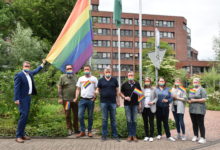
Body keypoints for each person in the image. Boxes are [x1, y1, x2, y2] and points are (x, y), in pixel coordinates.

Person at [14, 60, 46, 143]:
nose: (27, 68)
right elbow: (16, 88)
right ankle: (18, 136)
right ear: (23, 67)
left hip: (28, 97)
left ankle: (22, 135)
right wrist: (16, 99)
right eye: (25, 66)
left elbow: (36, 70)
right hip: (22, 98)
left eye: (28, 66)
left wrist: (42, 64)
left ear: (29, 67)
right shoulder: (19, 75)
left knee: (25, 116)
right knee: (23, 116)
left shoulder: (30, 73)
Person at [96, 67, 120, 142]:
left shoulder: (114, 80)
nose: (108, 73)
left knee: (113, 119)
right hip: (104, 102)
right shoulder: (100, 80)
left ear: (111, 72)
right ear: (104, 72)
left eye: (109, 71)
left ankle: (115, 135)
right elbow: (98, 89)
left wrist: (118, 101)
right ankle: (104, 135)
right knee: (104, 119)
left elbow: (117, 91)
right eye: (106, 72)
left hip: (112, 102)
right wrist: (96, 91)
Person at [74, 65, 98, 138]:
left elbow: (97, 88)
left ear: (90, 70)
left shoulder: (94, 79)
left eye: (87, 69)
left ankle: (90, 131)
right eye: (85, 69)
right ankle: (82, 131)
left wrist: (95, 96)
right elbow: (78, 89)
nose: (86, 70)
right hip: (82, 100)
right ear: (83, 70)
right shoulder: (81, 79)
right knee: (80, 115)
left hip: (91, 100)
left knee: (90, 116)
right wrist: (76, 97)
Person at [57, 64, 79, 136]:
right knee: (67, 115)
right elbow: (59, 87)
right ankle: (69, 129)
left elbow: (78, 88)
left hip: (75, 100)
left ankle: (76, 129)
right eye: (67, 69)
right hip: (66, 101)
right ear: (65, 70)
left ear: (72, 69)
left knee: (76, 115)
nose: (69, 69)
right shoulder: (62, 77)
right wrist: (60, 97)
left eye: (70, 68)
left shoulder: (76, 77)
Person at [120, 71, 141, 142]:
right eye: (129, 75)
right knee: (129, 120)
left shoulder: (137, 84)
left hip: (135, 105)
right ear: (127, 76)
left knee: (134, 120)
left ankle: (134, 135)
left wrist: (140, 104)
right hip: (127, 105)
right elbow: (120, 93)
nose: (130, 76)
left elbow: (140, 94)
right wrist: (125, 97)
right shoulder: (124, 84)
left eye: (132, 75)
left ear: (133, 76)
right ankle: (129, 135)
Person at [155, 77, 176, 142]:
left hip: (165, 107)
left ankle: (168, 135)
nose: (161, 82)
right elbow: (153, 97)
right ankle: (159, 134)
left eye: (162, 81)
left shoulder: (168, 89)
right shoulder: (155, 89)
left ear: (164, 82)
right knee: (158, 121)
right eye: (160, 81)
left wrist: (167, 100)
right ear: (158, 82)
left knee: (165, 122)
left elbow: (172, 98)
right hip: (158, 107)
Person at [188, 78, 207, 144]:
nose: (195, 83)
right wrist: (189, 100)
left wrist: (194, 100)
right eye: (194, 82)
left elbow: (204, 99)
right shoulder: (192, 89)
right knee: (194, 123)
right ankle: (195, 135)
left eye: (196, 82)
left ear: (199, 82)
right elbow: (190, 98)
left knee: (200, 123)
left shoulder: (202, 89)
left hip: (200, 110)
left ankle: (203, 137)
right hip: (192, 109)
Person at [140, 77, 157, 142]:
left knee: (151, 122)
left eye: (148, 81)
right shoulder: (142, 89)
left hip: (151, 108)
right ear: (144, 82)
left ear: (150, 82)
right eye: (146, 81)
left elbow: (156, 98)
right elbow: (140, 98)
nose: (147, 82)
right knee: (145, 122)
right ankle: (146, 136)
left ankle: (151, 136)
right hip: (144, 108)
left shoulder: (153, 89)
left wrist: (153, 102)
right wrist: (140, 104)